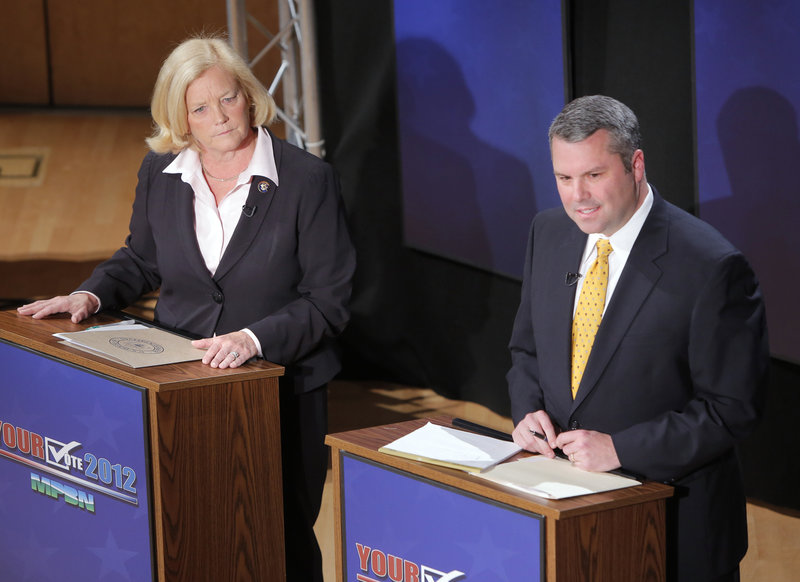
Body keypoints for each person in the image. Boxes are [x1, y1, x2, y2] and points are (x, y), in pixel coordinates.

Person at [18, 35, 356, 582]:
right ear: (181, 117)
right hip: (179, 388)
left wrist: (252, 339)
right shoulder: (162, 174)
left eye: (228, 99)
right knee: (188, 531)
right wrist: (90, 293)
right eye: (200, 108)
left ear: (248, 96)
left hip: (279, 390)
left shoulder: (307, 181)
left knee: (281, 537)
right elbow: (141, 259)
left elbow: (329, 301)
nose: (219, 117)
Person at [507, 95, 768, 582]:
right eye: (564, 178)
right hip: (567, 517)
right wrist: (527, 413)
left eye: (594, 175)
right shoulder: (548, 233)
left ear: (635, 165)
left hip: (671, 529)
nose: (577, 196)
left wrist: (622, 449)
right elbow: (526, 349)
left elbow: (732, 408)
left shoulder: (712, 266)